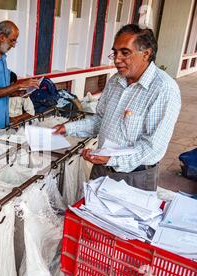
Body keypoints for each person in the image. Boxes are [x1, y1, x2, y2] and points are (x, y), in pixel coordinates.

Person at [53, 24, 181, 191]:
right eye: (115, 52)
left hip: (134, 176)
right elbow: (100, 120)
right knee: (91, 214)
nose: (117, 59)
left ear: (146, 54)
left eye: (125, 53)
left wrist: (111, 159)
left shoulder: (163, 89)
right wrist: (67, 128)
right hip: (101, 169)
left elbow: (152, 148)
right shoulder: (116, 81)